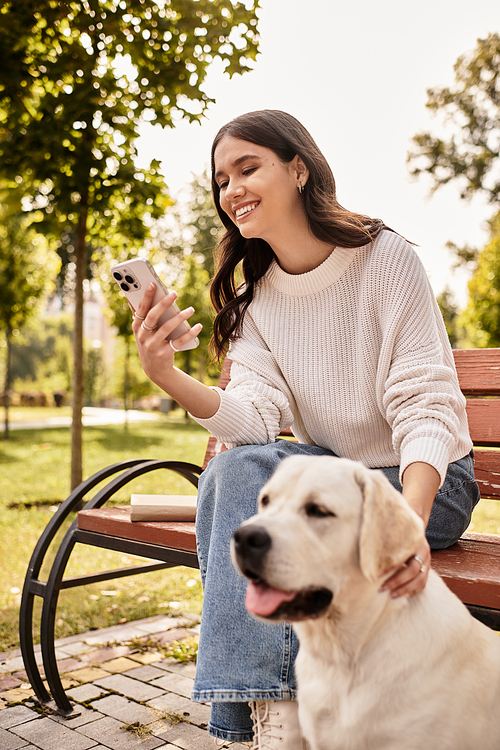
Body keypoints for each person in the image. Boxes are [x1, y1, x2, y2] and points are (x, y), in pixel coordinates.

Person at [131, 110, 479, 748]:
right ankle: (278, 724)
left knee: (235, 487)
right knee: (234, 470)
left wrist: (407, 522)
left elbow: (425, 401)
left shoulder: (384, 258)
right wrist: (168, 376)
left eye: (247, 167)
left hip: (427, 482)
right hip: (337, 489)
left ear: (299, 168)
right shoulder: (259, 300)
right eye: (220, 179)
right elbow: (254, 421)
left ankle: (257, 725)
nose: (230, 189)